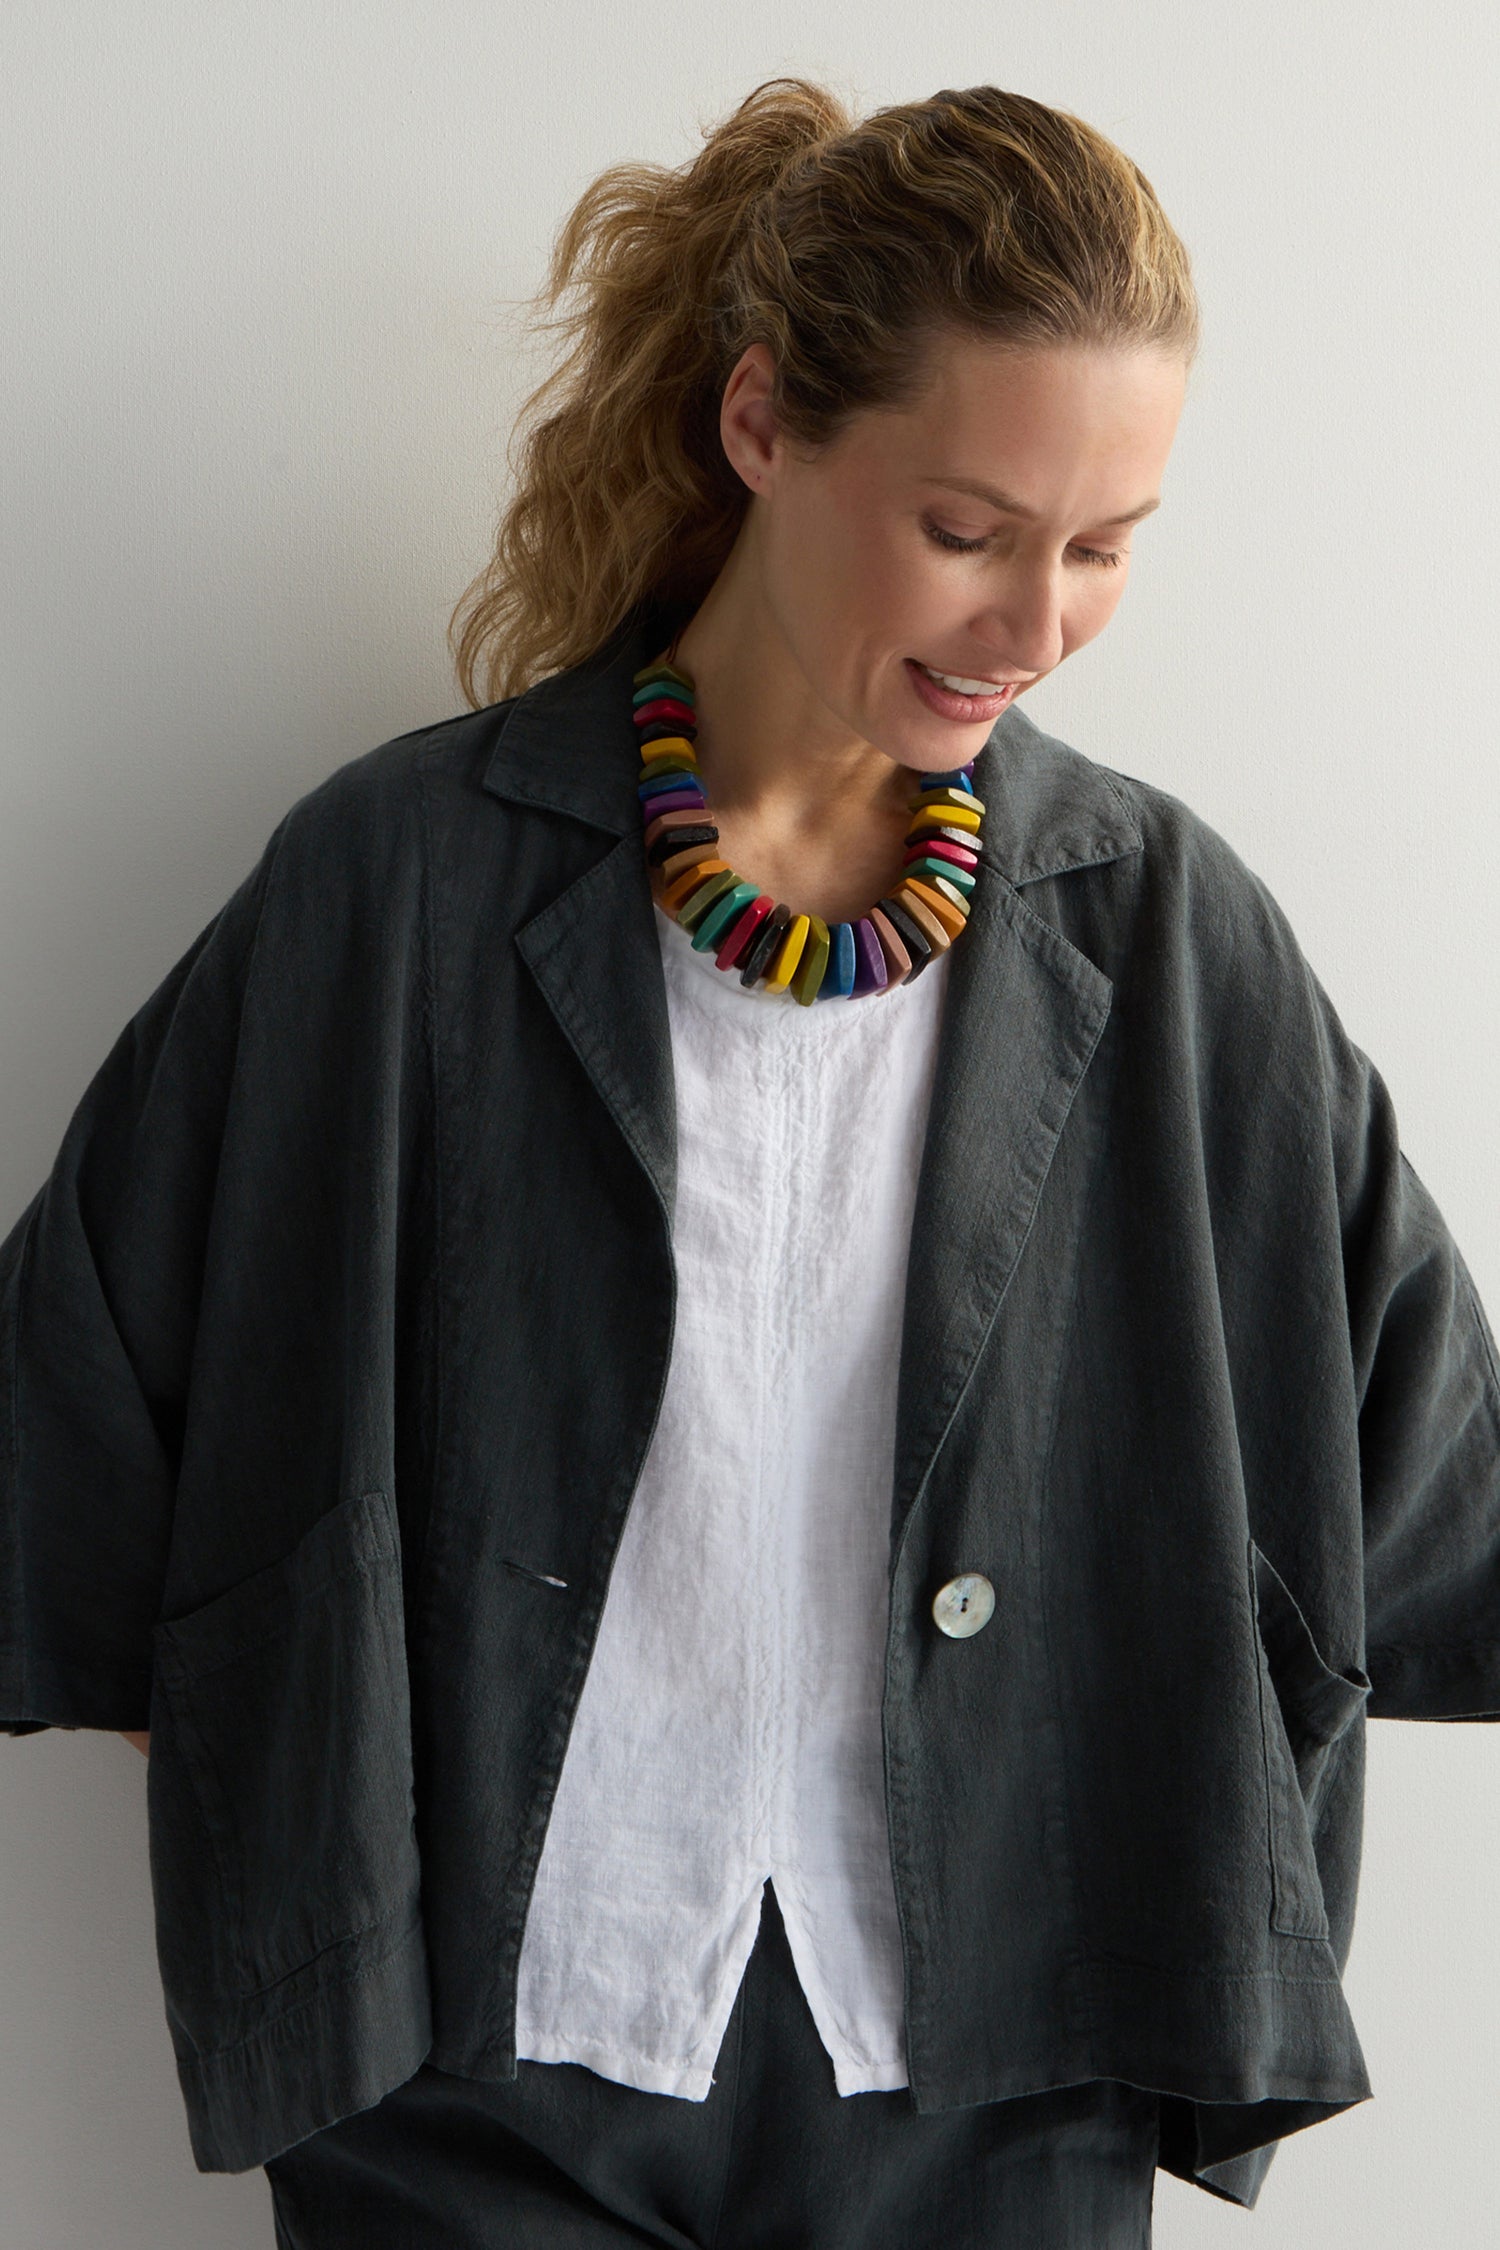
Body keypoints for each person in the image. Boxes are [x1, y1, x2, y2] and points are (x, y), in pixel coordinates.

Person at [4, 74, 1497, 2250]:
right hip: (476, 2083)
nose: (1035, 626)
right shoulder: (400, 889)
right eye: (971, 529)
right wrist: (320, 1782)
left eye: (1103, 548)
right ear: (762, 425)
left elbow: (1423, 1478)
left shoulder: (1169, 939)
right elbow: (71, 1438)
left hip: (1005, 2071)